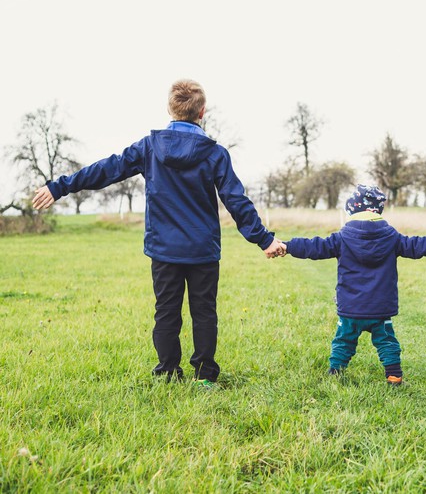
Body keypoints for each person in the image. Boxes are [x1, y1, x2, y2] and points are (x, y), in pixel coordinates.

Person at [32, 78, 284, 389]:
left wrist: (59, 187)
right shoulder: (215, 153)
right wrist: (265, 239)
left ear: (170, 109)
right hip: (202, 250)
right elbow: (236, 200)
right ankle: (204, 377)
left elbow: (106, 169)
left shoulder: (150, 147)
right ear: (202, 111)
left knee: (166, 313)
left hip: (164, 249)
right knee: (204, 312)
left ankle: (167, 373)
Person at [278, 184, 426, 385]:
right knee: (387, 342)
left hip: (350, 308)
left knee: (343, 341)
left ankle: (335, 372)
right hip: (380, 308)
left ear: (352, 210)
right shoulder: (391, 237)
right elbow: (415, 245)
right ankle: (393, 375)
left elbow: (314, 246)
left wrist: (288, 246)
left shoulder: (342, 237)